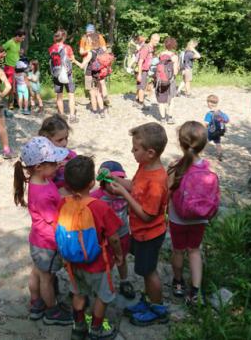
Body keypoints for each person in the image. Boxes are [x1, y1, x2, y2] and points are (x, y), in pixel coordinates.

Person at [105, 122, 170, 326]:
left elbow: (147, 215)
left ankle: (158, 308)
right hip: (141, 233)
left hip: (150, 234)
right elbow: (135, 186)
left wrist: (123, 193)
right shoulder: (145, 166)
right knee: (144, 270)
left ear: (150, 152)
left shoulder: (157, 182)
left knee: (148, 271)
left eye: (135, 149)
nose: (131, 152)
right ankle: (148, 300)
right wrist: (116, 181)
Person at [13, 136, 73, 326]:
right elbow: (54, 222)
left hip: (37, 240)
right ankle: (51, 311)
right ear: (39, 166)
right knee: (47, 278)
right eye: (54, 163)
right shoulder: (43, 194)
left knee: (37, 272)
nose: (58, 166)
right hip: (48, 243)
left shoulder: (38, 180)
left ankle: (36, 302)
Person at [63, 156, 123, 340]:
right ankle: (96, 330)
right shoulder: (100, 207)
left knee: (78, 293)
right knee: (102, 297)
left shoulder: (63, 203)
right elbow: (113, 237)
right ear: (91, 183)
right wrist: (119, 255)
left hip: (73, 261)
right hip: (98, 264)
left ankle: (78, 327)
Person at [168, 121, 216, 305]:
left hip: (178, 218)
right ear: (203, 145)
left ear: (180, 143)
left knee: (178, 250)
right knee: (194, 251)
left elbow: (168, 192)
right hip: (200, 217)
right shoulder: (207, 167)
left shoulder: (175, 167)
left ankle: (178, 282)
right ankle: (196, 292)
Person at [91, 161, 135, 300]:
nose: (115, 184)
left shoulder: (125, 193)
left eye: (120, 179)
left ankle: (124, 281)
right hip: (103, 238)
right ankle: (103, 284)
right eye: (110, 181)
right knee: (105, 262)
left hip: (122, 234)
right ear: (103, 183)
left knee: (122, 259)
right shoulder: (97, 196)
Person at [48, 29, 81, 123]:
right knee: (71, 95)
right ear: (64, 37)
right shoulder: (67, 47)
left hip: (56, 74)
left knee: (59, 96)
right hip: (67, 74)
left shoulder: (51, 48)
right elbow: (72, 59)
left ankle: (61, 116)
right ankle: (72, 116)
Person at [38, 114, 76, 189]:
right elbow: (43, 182)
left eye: (66, 138)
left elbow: (80, 167)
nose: (65, 143)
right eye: (60, 140)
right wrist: (53, 170)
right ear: (46, 140)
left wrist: (70, 164)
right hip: (55, 194)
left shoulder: (69, 154)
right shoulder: (43, 160)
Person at [81, 37, 110, 118]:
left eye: (89, 41)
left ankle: (94, 112)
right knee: (99, 93)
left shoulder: (91, 53)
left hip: (89, 74)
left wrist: (74, 61)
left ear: (92, 43)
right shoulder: (102, 50)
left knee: (92, 94)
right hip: (99, 74)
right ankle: (102, 111)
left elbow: (82, 66)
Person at [155, 37, 179, 124]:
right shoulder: (174, 56)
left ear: (165, 44)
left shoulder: (160, 54)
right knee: (171, 99)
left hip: (160, 80)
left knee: (161, 100)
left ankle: (162, 119)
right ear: (173, 45)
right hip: (170, 80)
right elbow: (175, 72)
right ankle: (170, 118)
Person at [1, 29, 25, 112]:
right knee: (11, 86)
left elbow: (15, 53)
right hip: (9, 67)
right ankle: (10, 103)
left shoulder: (19, 42)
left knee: (17, 84)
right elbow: (0, 48)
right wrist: (0, 56)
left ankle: (15, 102)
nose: (23, 40)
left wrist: (19, 53)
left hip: (16, 66)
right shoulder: (10, 42)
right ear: (17, 36)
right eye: (22, 38)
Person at [203, 94, 229, 161]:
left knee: (205, 141)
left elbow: (206, 123)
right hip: (218, 132)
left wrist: (203, 129)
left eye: (207, 102)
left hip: (211, 132)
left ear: (209, 104)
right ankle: (219, 154)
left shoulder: (209, 113)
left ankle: (200, 152)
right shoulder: (219, 112)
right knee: (218, 143)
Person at [136, 34, 157, 110]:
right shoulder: (146, 48)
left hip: (146, 70)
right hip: (142, 70)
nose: (157, 42)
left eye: (158, 41)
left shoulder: (152, 48)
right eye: (155, 41)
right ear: (152, 39)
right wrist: (139, 74)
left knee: (142, 86)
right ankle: (141, 104)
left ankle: (137, 101)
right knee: (142, 87)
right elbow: (140, 61)